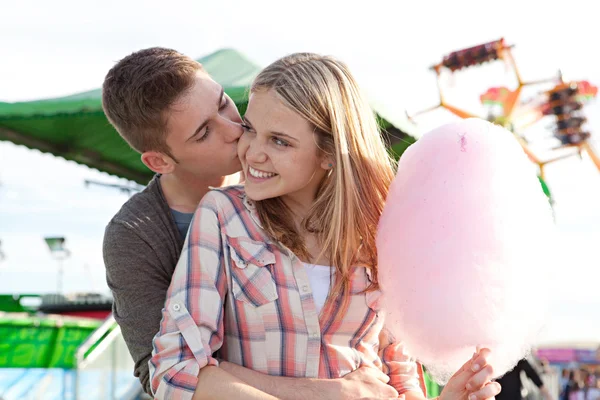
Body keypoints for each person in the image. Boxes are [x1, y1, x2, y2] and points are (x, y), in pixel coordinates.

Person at [150, 52, 502, 400]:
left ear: (329, 152)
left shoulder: (383, 230)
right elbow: (175, 374)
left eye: (279, 141)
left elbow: (398, 370)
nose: (253, 152)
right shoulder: (224, 216)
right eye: (251, 129)